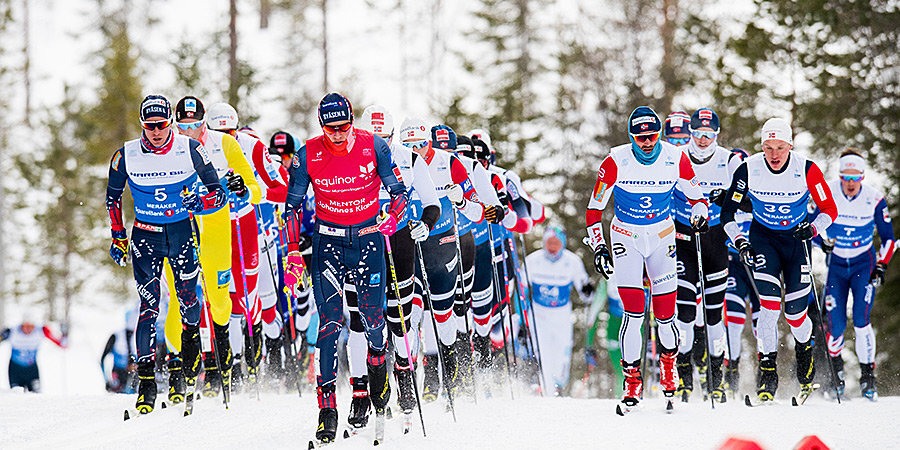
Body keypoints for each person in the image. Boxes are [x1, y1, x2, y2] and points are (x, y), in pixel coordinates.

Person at [282, 93, 408, 443]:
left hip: (368, 240)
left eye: (343, 127)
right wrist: (293, 252)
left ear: (352, 122)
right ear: (320, 125)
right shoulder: (307, 153)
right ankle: (327, 411)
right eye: (329, 128)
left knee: (373, 321)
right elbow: (292, 208)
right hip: (329, 244)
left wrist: (392, 218)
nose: (337, 134)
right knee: (330, 323)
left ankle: (378, 379)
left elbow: (399, 192)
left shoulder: (374, 147)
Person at [106, 94, 227, 413]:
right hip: (145, 235)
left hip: (181, 231)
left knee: (189, 302)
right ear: (142, 125)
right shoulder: (127, 154)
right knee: (149, 306)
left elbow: (220, 193)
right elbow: (112, 198)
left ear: (170, 123)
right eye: (150, 126)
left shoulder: (189, 148)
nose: (156, 131)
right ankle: (146, 383)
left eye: (161, 125)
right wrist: (118, 235)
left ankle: (189, 371)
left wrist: (200, 203)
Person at [584, 106, 709, 411]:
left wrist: (699, 214)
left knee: (666, 314)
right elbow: (593, 211)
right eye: (640, 137)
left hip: (661, 237)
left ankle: (668, 366)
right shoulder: (616, 160)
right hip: (626, 237)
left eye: (652, 135)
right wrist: (600, 247)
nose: (647, 142)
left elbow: (697, 196)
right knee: (634, 313)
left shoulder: (674, 157)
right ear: (631, 137)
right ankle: (632, 379)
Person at [720, 117, 838, 403]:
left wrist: (812, 229)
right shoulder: (749, 169)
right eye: (768, 147)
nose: (774, 154)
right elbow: (727, 213)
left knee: (796, 314)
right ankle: (767, 378)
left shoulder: (807, 169)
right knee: (769, 310)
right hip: (764, 240)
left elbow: (829, 209)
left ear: (790, 146)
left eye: (780, 148)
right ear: (762, 147)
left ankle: (806, 367)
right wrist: (740, 240)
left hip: (796, 243)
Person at [341, 105, 441, 429]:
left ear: (392, 136)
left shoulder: (409, 158)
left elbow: (432, 202)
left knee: (399, 318)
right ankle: (360, 393)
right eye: (373, 138)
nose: (378, 144)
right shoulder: (346, 154)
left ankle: (404, 373)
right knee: (359, 320)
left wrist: (425, 224)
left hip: (398, 240)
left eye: (384, 138)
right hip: (361, 242)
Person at [162, 95, 261, 401]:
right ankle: (178, 370)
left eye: (194, 125)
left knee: (218, 301)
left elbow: (257, 191)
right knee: (179, 299)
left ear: (204, 122)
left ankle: (222, 360)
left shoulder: (225, 145)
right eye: (183, 125)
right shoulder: (167, 147)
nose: (189, 131)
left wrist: (242, 189)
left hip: (216, 232)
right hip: (178, 231)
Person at [399, 118, 495, 402]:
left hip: (442, 241)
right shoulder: (397, 162)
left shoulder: (449, 163)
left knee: (442, 312)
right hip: (409, 241)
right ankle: (420, 376)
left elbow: (480, 213)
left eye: (422, 145)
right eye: (410, 146)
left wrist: (462, 201)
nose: (418, 151)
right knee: (412, 311)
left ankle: (451, 365)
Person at [207, 102, 288, 389]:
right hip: (216, 229)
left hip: (254, 230)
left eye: (229, 132)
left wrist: (252, 188)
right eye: (218, 132)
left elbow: (283, 189)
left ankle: (266, 352)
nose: (224, 138)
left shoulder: (252, 147)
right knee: (223, 299)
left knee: (257, 298)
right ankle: (231, 364)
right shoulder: (199, 146)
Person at [812, 148, 894, 400]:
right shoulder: (828, 192)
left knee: (860, 319)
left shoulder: (874, 198)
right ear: (839, 176)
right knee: (835, 326)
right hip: (836, 265)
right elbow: (809, 226)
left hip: (863, 264)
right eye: (845, 177)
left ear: (862, 177)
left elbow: (889, 239)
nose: (850, 183)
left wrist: (881, 265)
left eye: (855, 177)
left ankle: (868, 379)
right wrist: (821, 242)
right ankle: (836, 377)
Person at [672, 108, 742, 402]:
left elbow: (746, 198)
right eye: (698, 134)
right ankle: (684, 378)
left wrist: (727, 198)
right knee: (685, 313)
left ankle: (716, 379)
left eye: (708, 135)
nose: (702, 140)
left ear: (717, 134)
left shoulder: (729, 160)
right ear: (691, 134)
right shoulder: (675, 157)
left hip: (715, 240)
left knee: (714, 315)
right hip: (683, 237)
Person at [524, 225, 591, 395]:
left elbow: (585, 291)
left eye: (556, 242)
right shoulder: (532, 261)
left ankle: (558, 386)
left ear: (563, 243)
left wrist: (587, 291)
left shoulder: (572, 261)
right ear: (544, 243)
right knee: (543, 354)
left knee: (562, 354)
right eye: (549, 242)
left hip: (561, 316)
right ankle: (544, 390)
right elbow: (521, 289)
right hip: (539, 315)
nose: (552, 246)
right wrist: (521, 315)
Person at [722, 148, 756, 394]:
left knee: (761, 320)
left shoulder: (760, 189)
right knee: (733, 322)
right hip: (733, 263)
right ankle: (731, 376)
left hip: (759, 263)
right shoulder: (726, 192)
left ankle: (766, 373)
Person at [1, 311, 67, 392]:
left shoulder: (42, 330)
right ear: (22, 325)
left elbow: (61, 344)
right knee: (16, 396)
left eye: (31, 326)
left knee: (36, 396)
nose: (28, 329)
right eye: (26, 326)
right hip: (15, 370)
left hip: (32, 369)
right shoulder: (11, 332)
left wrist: (64, 334)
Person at [101, 308, 138, 393]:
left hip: (135, 378)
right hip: (118, 376)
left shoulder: (141, 337)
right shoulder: (117, 336)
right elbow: (103, 358)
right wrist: (107, 380)